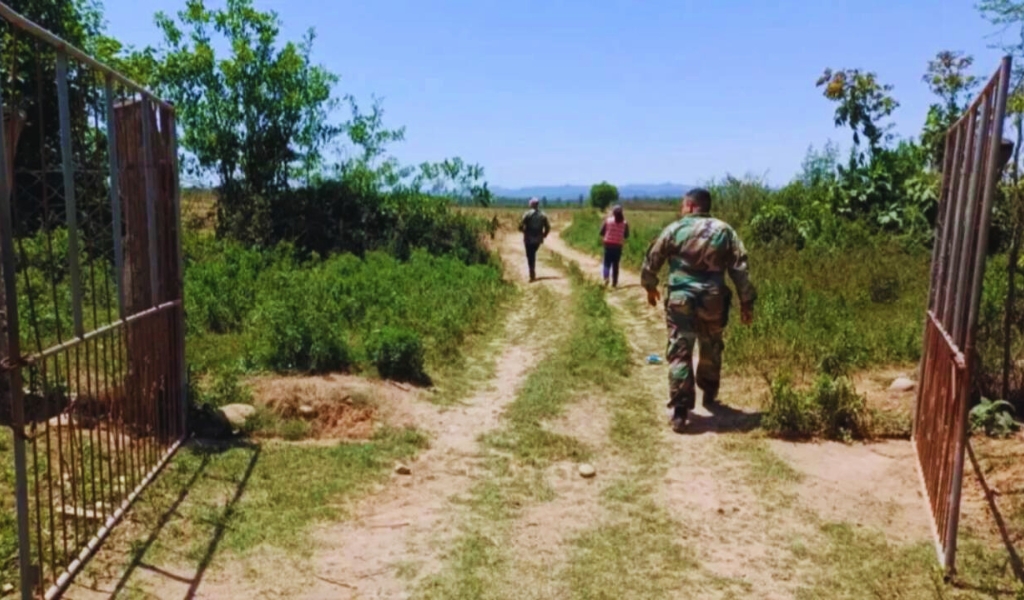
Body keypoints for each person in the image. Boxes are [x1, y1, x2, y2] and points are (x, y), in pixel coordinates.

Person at [640, 188, 756, 433]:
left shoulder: (675, 229)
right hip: (713, 299)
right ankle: (709, 389)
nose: (682, 209)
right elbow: (740, 268)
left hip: (681, 299)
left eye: (684, 205)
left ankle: (681, 410)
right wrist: (746, 302)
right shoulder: (725, 231)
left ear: (691, 206)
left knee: (680, 349)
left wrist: (649, 286)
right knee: (712, 344)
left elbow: (653, 258)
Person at [518, 197, 551, 282]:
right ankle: (532, 270)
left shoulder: (527, 214)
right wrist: (544, 235)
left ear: (531, 204)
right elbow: (547, 227)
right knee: (533, 253)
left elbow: (520, 225)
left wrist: (524, 231)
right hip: (538, 238)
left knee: (530, 255)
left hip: (528, 238)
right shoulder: (543, 215)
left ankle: (531, 271)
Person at [599, 205, 630, 287]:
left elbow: (601, 232)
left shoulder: (608, 221)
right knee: (615, 264)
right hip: (618, 246)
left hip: (608, 245)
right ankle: (614, 283)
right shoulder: (625, 223)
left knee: (606, 263)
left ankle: (606, 279)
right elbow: (626, 235)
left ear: (613, 212)